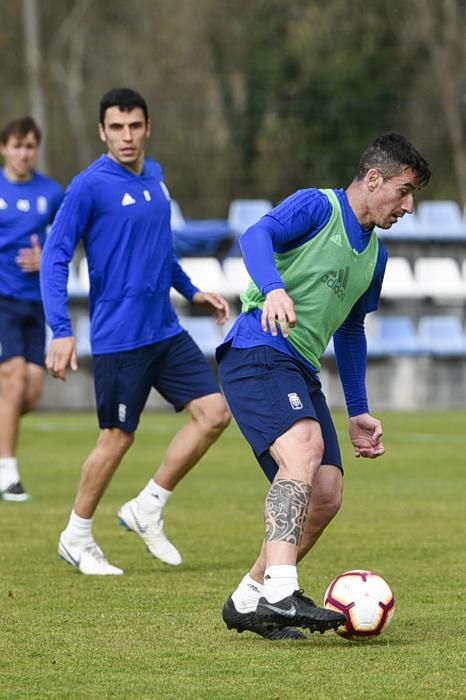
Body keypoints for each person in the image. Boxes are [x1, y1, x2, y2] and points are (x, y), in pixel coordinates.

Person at [217, 131, 431, 640]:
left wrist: (359, 409)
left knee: (328, 493)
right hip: (257, 348)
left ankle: (248, 601)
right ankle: (283, 592)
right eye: (403, 191)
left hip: (300, 366)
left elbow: (352, 329)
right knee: (305, 449)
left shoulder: (374, 256)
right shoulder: (318, 206)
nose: (409, 206)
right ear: (373, 179)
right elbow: (254, 237)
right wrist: (272, 289)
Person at [40, 88, 231, 576]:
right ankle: (76, 536)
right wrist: (61, 329)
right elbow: (55, 256)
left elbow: (158, 249)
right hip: (119, 337)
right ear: (103, 131)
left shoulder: (156, 176)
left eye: (135, 126)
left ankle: (146, 507)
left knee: (213, 414)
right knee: (117, 439)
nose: (127, 136)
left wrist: (191, 290)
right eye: (117, 128)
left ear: (148, 128)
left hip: (164, 330)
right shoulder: (88, 186)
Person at [0, 117, 64, 502]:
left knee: (31, 394)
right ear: (4, 148)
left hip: (36, 302)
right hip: (2, 300)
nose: (24, 153)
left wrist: (48, 257)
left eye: (30, 146)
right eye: (17, 145)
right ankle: (8, 474)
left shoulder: (51, 192)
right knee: (14, 379)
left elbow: (66, 239)